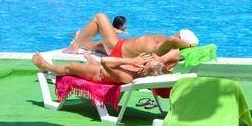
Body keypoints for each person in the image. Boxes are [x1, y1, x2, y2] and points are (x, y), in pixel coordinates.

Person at [66, 12, 197, 57]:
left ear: (180, 38)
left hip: (118, 49)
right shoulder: (166, 43)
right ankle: (80, 41)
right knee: (95, 45)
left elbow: (173, 40)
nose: (175, 33)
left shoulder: (168, 45)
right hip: (121, 46)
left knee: (100, 17)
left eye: (178, 33)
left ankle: (75, 46)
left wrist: (189, 45)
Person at [33, 51, 176, 86]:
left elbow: (106, 61)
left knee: (70, 67)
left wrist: (131, 60)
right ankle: (92, 61)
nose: (144, 62)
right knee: (92, 62)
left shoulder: (129, 77)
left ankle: (45, 66)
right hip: (102, 69)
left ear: (144, 71)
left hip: (99, 75)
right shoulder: (138, 70)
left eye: (146, 63)